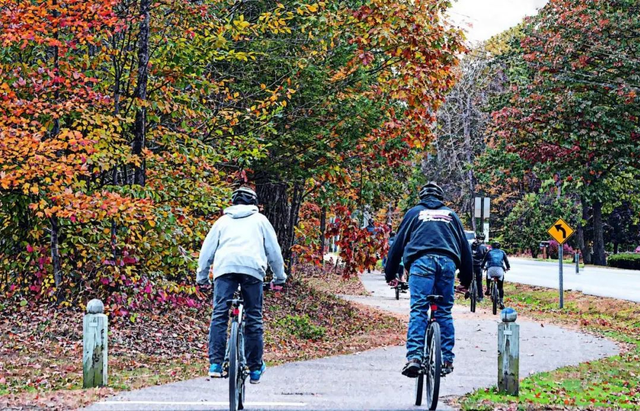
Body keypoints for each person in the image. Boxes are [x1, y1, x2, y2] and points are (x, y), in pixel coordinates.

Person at [196, 187, 287, 384]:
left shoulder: (222, 222)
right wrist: (279, 278)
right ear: (254, 203)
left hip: (224, 270)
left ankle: (215, 364)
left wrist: (202, 278)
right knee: (253, 316)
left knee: (219, 313)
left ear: (233, 202)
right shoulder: (261, 221)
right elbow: (273, 251)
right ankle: (254, 368)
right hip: (252, 270)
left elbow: (206, 252)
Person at [385, 182, 473, 377]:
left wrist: (390, 274)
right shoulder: (451, 215)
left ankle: (415, 358)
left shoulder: (414, 213)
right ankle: (446, 359)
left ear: (422, 197)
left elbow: (397, 245)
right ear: (441, 199)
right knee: (443, 311)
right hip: (448, 263)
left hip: (421, 262)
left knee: (419, 308)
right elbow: (466, 250)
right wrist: (466, 280)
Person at [482, 241, 510, 309]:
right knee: (500, 287)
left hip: (491, 269)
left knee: (488, 275)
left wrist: (483, 267)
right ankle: (501, 302)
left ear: (492, 246)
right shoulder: (502, 252)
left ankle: (488, 289)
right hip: (500, 270)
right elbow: (506, 261)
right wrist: (508, 268)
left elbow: (484, 261)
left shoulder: (489, 252)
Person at [471, 233, 488, 301]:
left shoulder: (471, 245)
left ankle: (468, 291)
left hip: (472, 264)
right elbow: (486, 257)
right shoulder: (484, 247)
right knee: (479, 281)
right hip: (479, 265)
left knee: (469, 279)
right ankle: (480, 297)